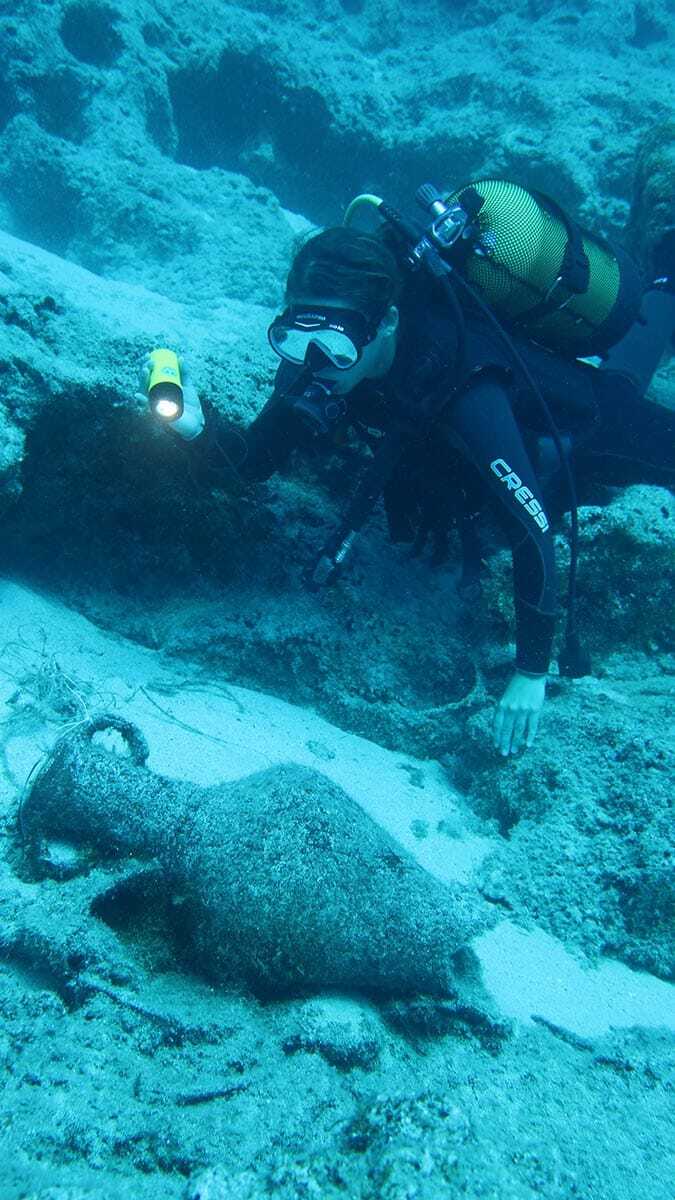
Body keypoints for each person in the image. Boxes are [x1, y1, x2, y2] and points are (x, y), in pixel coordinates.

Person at [144, 181, 675, 758]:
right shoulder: (315, 360)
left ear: (388, 323)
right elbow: (255, 461)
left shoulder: (461, 382)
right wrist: (197, 429)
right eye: (295, 340)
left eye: (335, 346)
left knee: (632, 414)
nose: (315, 365)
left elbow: (533, 528)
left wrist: (530, 671)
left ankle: (663, 289)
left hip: (568, 417)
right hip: (443, 449)